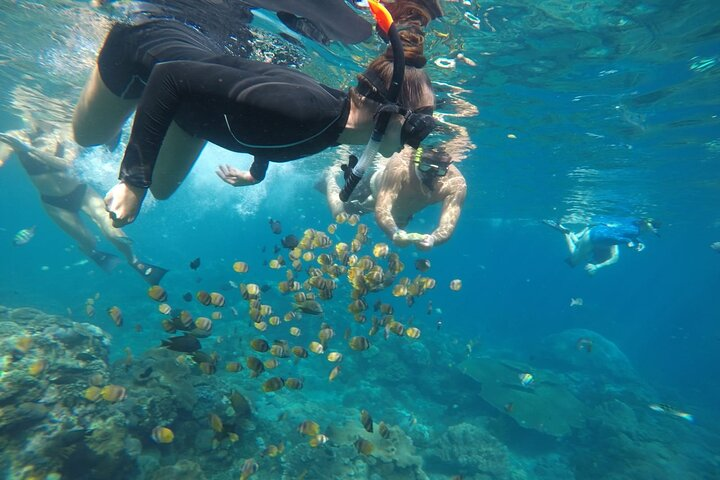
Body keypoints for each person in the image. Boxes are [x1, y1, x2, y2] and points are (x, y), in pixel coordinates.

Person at [72, 0, 437, 228]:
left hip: (193, 103)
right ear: (389, 111)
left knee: (164, 189)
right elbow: (169, 77)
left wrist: (257, 169)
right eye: (420, 123)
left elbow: (269, 123)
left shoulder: (333, 119)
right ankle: (131, 115)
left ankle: (143, 121)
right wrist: (133, 181)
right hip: (146, 47)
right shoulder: (306, 111)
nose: (420, 135)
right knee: (86, 138)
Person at [0, 114, 167, 284]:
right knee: (89, 240)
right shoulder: (15, 137)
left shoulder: (66, 132)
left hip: (81, 191)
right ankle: (92, 253)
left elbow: (66, 164)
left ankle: (134, 261)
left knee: (112, 230)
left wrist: (28, 150)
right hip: (54, 203)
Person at [322, 125, 471, 250]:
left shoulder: (456, 183)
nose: (431, 176)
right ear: (416, 160)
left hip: (403, 211)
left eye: (439, 171)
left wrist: (433, 239)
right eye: (425, 167)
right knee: (339, 212)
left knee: (402, 224)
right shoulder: (400, 166)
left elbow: (448, 225)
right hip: (372, 190)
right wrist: (393, 232)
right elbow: (383, 209)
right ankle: (329, 177)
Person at [543, 217, 660, 275]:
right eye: (653, 228)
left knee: (579, 245)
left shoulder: (634, 225)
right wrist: (629, 242)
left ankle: (569, 233)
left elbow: (623, 234)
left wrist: (637, 242)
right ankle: (566, 233)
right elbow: (617, 246)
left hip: (596, 231)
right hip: (594, 237)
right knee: (573, 261)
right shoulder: (632, 233)